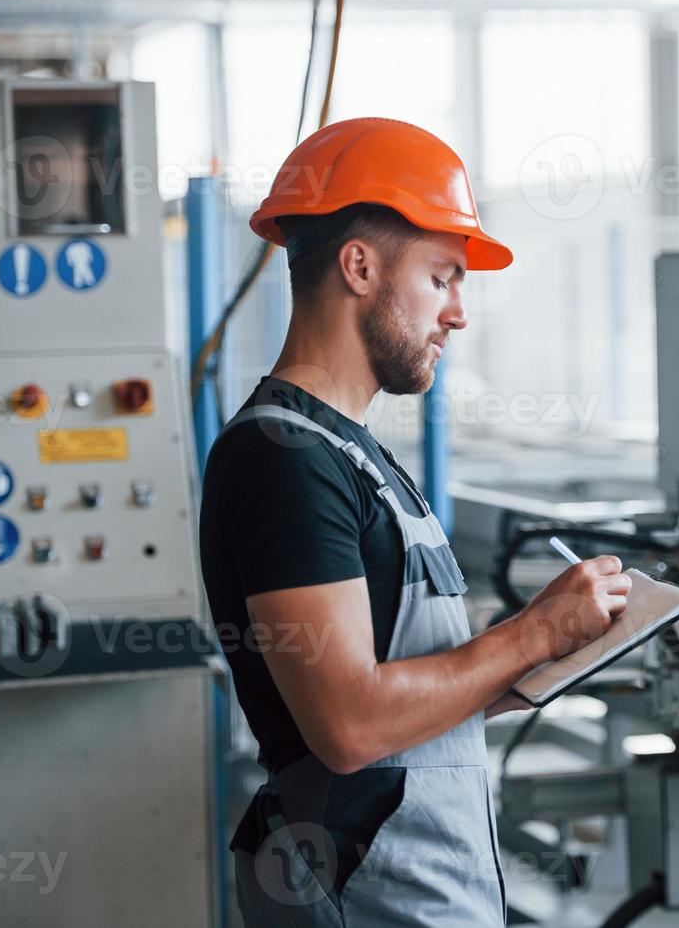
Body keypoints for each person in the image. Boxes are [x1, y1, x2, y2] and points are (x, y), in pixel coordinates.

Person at [198, 118, 631, 926]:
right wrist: (531, 634)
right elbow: (351, 725)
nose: (458, 313)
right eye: (442, 278)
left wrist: (557, 652)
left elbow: (411, 704)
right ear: (359, 266)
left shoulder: (353, 452)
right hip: (363, 898)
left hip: (418, 895)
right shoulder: (283, 459)